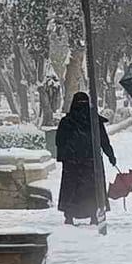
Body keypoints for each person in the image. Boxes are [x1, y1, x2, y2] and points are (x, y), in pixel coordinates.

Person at [55, 92, 116, 226]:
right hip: (91, 162)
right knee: (91, 189)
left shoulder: (67, 121)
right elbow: (104, 141)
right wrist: (110, 155)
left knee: (72, 189)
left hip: (72, 163)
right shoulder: (94, 121)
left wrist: (65, 156)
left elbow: (59, 141)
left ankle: (70, 214)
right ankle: (93, 213)